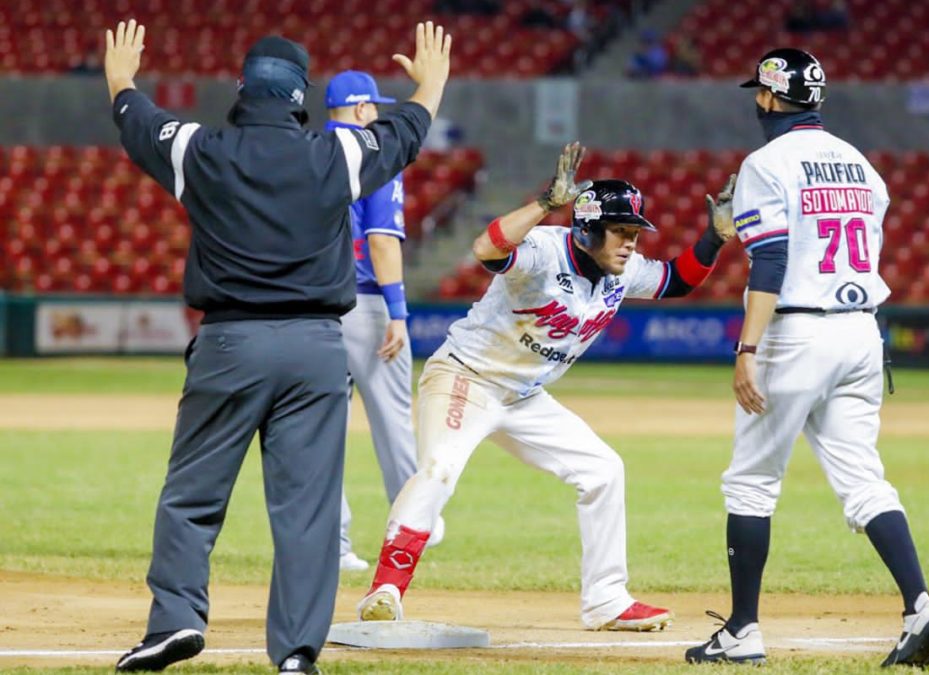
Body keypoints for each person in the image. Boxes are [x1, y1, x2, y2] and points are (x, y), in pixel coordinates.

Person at [106, 19, 451, 674]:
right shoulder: (336, 154)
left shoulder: (201, 149)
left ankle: (176, 619)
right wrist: (429, 87)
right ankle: (294, 653)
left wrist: (121, 79)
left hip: (229, 343)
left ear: (242, 89)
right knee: (308, 511)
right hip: (317, 350)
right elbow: (402, 135)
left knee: (192, 495)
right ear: (301, 95)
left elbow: (140, 123)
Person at [354, 143, 738, 632]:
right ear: (587, 228)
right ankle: (385, 589)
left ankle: (606, 601)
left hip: (524, 396)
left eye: (635, 233)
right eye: (620, 231)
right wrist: (542, 204)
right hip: (466, 378)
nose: (631, 243)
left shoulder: (620, 273)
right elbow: (486, 248)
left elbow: (677, 281)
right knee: (438, 468)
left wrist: (714, 237)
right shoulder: (544, 249)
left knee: (603, 470)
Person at [684, 49, 929, 668]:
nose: (757, 100)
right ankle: (921, 607)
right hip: (861, 331)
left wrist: (747, 347)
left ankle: (743, 631)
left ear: (773, 98)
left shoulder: (765, 162)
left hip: (797, 331)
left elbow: (772, 261)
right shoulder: (861, 165)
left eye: (761, 92)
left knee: (751, 482)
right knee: (863, 480)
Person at [322, 70, 445, 573]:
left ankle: (334, 545)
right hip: (366, 302)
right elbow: (381, 240)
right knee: (393, 421)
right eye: (372, 107)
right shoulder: (375, 154)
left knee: (321, 431)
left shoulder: (307, 151)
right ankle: (416, 523)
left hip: (313, 306)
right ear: (357, 109)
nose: (376, 114)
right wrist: (398, 312)